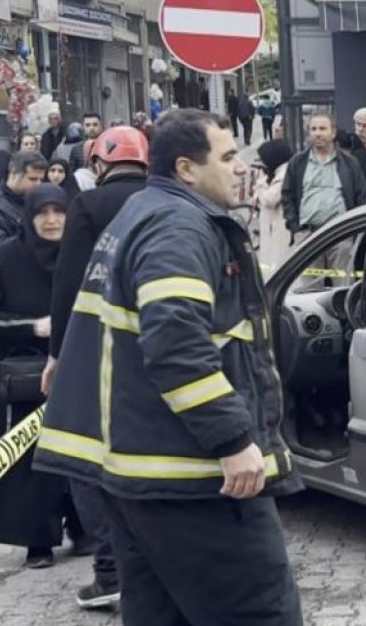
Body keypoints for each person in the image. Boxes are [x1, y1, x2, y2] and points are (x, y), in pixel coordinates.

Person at [35, 109, 302, 625]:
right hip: (194, 480)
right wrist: (232, 440)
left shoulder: (142, 212)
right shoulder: (179, 228)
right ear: (186, 168)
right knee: (260, 614)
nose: (241, 168)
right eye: (227, 157)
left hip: (141, 475)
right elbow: (176, 345)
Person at [41, 124, 150, 610]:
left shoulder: (87, 206)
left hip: (95, 348)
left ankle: (109, 573)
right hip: (153, 349)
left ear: (100, 164)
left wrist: (57, 354)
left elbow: (68, 283)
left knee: (86, 457)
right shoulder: (164, 202)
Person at [0, 183, 83, 570]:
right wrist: (31, 327)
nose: (52, 220)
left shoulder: (81, 255)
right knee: (30, 459)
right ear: (29, 216)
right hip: (27, 374)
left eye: (59, 211)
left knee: (77, 451)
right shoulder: (5, 257)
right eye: (43, 213)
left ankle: (82, 527)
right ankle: (37, 539)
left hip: (77, 369)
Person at [280, 113, 366, 243]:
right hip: (307, 234)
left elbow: (361, 197)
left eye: (322, 129)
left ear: (333, 133)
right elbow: (287, 196)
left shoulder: (349, 163)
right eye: (313, 129)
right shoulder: (297, 162)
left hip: (341, 234)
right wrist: (295, 228)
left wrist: (354, 230)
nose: (318, 133)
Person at [0, 151, 48, 242]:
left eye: (41, 180)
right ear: (14, 172)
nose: (38, 184)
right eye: (32, 179)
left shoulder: (38, 201)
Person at [254, 140, 294, 268]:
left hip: (280, 228)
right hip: (275, 227)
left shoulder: (284, 175)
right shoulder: (280, 172)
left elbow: (269, 200)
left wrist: (260, 182)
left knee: (277, 262)